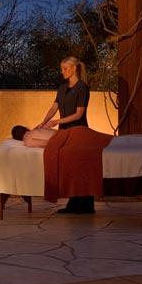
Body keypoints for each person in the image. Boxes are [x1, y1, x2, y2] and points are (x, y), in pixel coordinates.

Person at [34, 56, 94, 214]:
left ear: (74, 68)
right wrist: (42, 123)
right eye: (61, 69)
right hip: (64, 132)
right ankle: (73, 203)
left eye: (65, 69)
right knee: (69, 167)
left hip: (78, 132)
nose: (62, 72)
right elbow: (53, 108)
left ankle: (87, 204)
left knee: (80, 167)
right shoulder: (61, 88)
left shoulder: (82, 87)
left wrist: (57, 121)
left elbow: (79, 114)